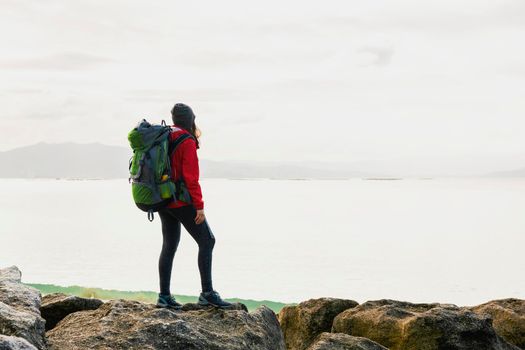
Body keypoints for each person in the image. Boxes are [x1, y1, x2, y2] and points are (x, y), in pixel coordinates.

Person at [156, 103, 231, 309]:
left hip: (164, 201)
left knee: (169, 245)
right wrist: (199, 206)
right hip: (181, 201)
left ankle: (164, 297)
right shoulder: (186, 140)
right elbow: (191, 178)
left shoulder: (166, 135)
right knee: (207, 240)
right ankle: (207, 293)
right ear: (190, 119)